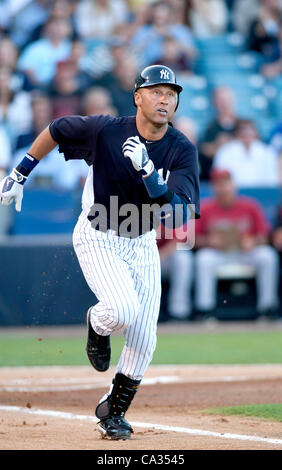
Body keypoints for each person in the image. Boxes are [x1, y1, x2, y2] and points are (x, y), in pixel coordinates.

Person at [0, 64, 200, 440]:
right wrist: (21, 171)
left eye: (171, 94)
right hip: (98, 233)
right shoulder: (107, 130)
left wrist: (150, 175)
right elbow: (58, 129)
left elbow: (180, 213)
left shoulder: (180, 148)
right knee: (122, 311)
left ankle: (113, 411)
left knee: (144, 337)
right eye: (156, 91)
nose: (164, 99)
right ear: (138, 97)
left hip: (141, 240)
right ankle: (97, 323)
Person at [194, 168, 279, 318]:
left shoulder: (249, 205)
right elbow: (191, 240)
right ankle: (205, 310)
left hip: (245, 252)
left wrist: (253, 241)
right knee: (203, 259)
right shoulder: (205, 208)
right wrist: (209, 241)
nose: (224, 188)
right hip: (218, 253)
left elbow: (265, 236)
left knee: (267, 256)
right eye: (219, 184)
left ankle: (268, 308)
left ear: (233, 185)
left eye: (226, 184)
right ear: (214, 188)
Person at [212, 118, 280, 187]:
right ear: (236, 133)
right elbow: (220, 179)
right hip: (232, 195)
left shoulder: (268, 152)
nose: (246, 133)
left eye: (250, 130)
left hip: (263, 195)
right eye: (243, 130)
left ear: (256, 132)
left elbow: (272, 181)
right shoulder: (224, 152)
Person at [199, 86, 238, 181]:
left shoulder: (242, 125)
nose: (225, 104)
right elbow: (203, 149)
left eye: (227, 100)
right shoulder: (210, 127)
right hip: (217, 174)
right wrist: (218, 146)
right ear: (215, 103)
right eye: (221, 101)